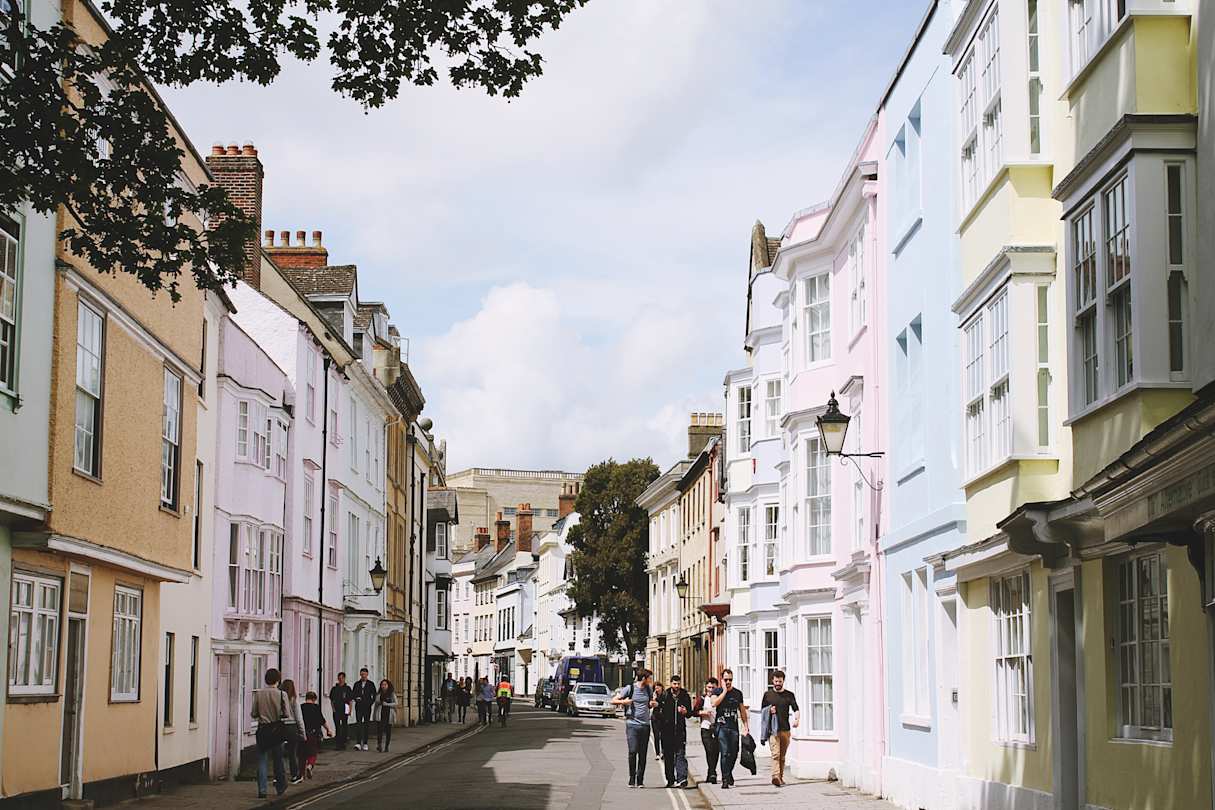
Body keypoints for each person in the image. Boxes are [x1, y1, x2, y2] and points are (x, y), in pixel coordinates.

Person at [610, 668, 657, 789]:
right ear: (643, 678)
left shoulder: (648, 689)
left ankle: (640, 780)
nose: (651, 680)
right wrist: (625, 702)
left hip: (645, 725)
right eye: (649, 678)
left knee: (643, 754)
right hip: (632, 725)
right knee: (633, 751)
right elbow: (613, 700)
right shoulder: (629, 688)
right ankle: (632, 778)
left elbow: (651, 702)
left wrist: (653, 704)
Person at [251, 667, 290, 799]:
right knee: (278, 760)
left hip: (263, 729)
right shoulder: (281, 694)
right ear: (278, 680)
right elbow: (286, 714)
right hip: (276, 729)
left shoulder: (259, 694)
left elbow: (254, 713)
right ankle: (280, 787)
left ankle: (262, 790)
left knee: (262, 760)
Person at [709, 668, 749, 789]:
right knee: (725, 753)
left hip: (733, 727)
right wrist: (724, 692)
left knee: (734, 753)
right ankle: (725, 778)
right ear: (722, 680)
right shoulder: (717, 691)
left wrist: (746, 726)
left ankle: (729, 772)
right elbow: (714, 703)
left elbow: (742, 711)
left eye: (730, 680)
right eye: (726, 680)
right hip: (721, 727)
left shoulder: (737, 693)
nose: (728, 682)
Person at [760, 670, 800, 787]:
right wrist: (769, 710)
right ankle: (775, 776)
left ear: (783, 681)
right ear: (772, 681)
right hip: (773, 729)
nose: (777, 683)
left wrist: (797, 719)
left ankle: (780, 778)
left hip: (785, 729)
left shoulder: (789, 695)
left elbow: (795, 708)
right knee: (775, 754)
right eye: (776, 681)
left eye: (780, 681)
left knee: (782, 756)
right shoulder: (767, 695)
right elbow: (762, 711)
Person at [655, 674, 693, 788]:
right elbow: (656, 711)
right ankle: (670, 779)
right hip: (667, 731)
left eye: (678, 684)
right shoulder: (665, 695)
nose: (676, 686)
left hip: (680, 731)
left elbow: (690, 714)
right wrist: (663, 720)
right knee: (668, 757)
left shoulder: (685, 696)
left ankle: (682, 779)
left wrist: (685, 712)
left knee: (680, 754)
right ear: (671, 684)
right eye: (674, 683)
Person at [300, 691, 332, 779]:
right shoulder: (316, 708)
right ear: (314, 699)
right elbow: (322, 720)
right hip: (313, 733)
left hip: (302, 733)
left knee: (302, 754)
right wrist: (328, 730)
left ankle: (301, 774)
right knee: (313, 752)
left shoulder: (301, 707)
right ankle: (310, 766)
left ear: (306, 698)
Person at [695, 677, 721, 784]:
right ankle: (712, 773)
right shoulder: (702, 699)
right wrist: (702, 713)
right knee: (709, 750)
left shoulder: (719, 698)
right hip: (705, 727)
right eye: (709, 687)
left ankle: (711, 773)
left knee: (716, 752)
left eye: (713, 687)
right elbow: (694, 711)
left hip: (717, 728)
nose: (710, 690)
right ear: (706, 687)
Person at [281, 679, 306, 785]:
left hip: (281, 726)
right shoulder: (294, 700)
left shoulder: (279, 699)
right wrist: (303, 733)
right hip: (292, 727)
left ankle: (278, 776)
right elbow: (299, 718)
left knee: (279, 753)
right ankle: (295, 775)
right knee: (292, 752)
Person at [351, 667, 377, 751]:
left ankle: (365, 743)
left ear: (367, 675)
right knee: (358, 724)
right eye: (362, 674)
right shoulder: (357, 684)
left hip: (367, 707)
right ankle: (358, 743)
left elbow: (374, 695)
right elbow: (353, 694)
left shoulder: (371, 684)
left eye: (364, 674)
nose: (363, 676)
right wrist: (356, 698)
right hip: (358, 706)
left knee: (366, 724)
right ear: (360, 674)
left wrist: (370, 702)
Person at [328, 672, 353, 750]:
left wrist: (350, 710)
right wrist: (333, 709)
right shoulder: (334, 689)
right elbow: (332, 700)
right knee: (337, 726)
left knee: (344, 726)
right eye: (339, 678)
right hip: (337, 709)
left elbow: (350, 701)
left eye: (342, 678)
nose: (340, 679)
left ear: (344, 678)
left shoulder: (347, 688)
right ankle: (338, 743)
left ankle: (344, 742)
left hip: (345, 708)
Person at [375, 679, 398, 752]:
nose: (383, 686)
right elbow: (376, 703)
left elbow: (396, 703)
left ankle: (386, 747)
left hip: (389, 714)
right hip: (381, 713)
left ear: (388, 685)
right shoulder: (379, 694)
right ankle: (379, 745)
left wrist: (387, 704)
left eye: (385, 685)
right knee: (380, 731)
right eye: (382, 685)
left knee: (388, 731)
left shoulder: (391, 694)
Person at [650, 683, 665, 761]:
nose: (657, 689)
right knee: (656, 736)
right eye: (655, 688)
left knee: (663, 736)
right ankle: (657, 753)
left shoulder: (665, 695)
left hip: (663, 718)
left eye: (658, 687)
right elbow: (651, 705)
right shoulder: (653, 696)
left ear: (662, 688)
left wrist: (658, 703)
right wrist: (653, 699)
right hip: (655, 718)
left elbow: (665, 705)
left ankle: (663, 752)